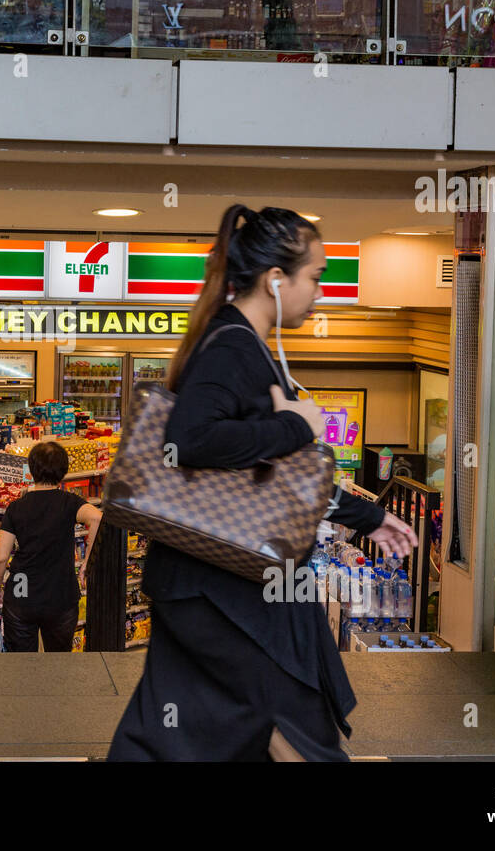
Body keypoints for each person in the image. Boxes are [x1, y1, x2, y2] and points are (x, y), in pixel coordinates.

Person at [108, 204, 417, 762]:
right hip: (223, 589)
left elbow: (271, 481)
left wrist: (369, 515)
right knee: (284, 721)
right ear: (276, 280)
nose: (319, 293)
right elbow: (191, 440)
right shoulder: (233, 346)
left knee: (180, 731)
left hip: (207, 582)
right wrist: (294, 424)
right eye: (316, 277)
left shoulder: (239, 341)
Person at [0, 442, 102, 652]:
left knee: (22, 668)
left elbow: (0, 557)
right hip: (61, 596)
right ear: (63, 471)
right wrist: (88, 562)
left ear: (31, 471)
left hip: (21, 594)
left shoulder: (17, 507)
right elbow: (97, 518)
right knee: (58, 664)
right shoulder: (69, 502)